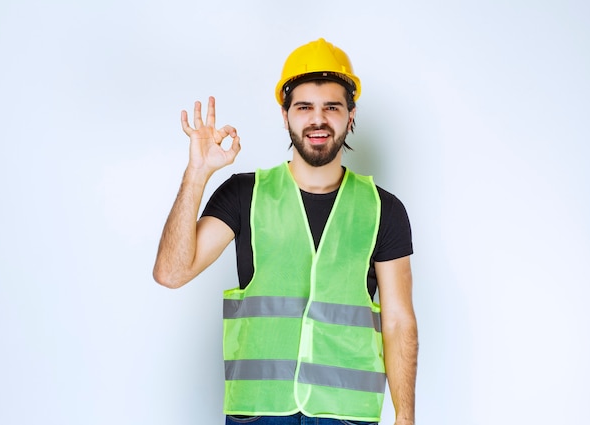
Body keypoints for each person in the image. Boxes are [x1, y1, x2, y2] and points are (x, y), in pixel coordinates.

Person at [153, 38, 418, 425]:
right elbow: (171, 273)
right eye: (304, 107)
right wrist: (198, 173)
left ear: (350, 115)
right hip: (260, 413)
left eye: (332, 106)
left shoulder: (384, 210)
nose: (318, 119)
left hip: (345, 415)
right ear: (285, 114)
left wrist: (406, 418)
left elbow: (398, 321)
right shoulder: (245, 195)